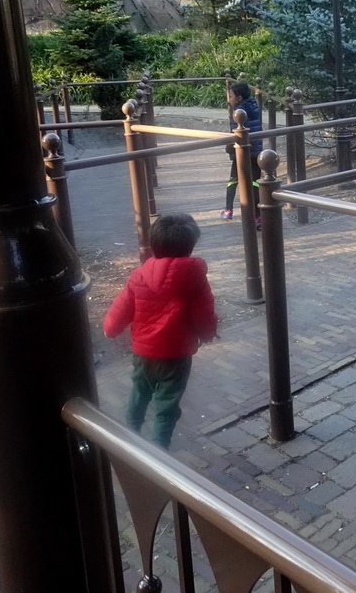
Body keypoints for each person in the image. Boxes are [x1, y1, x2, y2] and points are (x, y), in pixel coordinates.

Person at [103, 213, 218, 449]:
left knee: (139, 392)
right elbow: (203, 314)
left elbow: (123, 306)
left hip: (143, 352)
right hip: (177, 355)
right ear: (190, 246)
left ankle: (130, 437)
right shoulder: (195, 278)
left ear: (154, 244)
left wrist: (110, 329)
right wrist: (207, 334)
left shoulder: (139, 275)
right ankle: (159, 453)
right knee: (167, 405)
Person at [221, 81, 263, 226]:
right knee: (254, 183)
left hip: (242, 152)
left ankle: (228, 210)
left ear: (239, 98)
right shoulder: (254, 107)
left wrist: (230, 148)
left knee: (233, 179)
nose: (229, 99)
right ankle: (258, 216)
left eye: (231, 96)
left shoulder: (238, 112)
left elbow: (236, 135)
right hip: (256, 151)